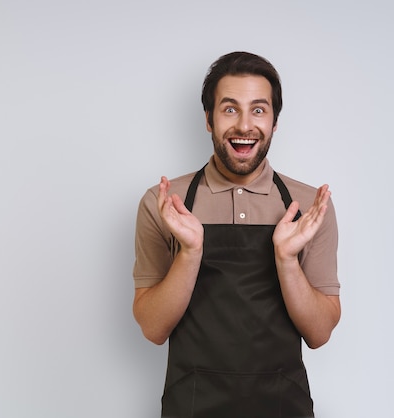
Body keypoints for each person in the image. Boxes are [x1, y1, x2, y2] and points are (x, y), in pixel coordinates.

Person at [132, 51, 341, 418]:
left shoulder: (310, 206)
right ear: (209, 120)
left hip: (283, 407)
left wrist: (287, 260)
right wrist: (190, 252)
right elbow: (153, 327)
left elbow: (320, 334)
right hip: (191, 407)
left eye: (258, 110)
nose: (245, 125)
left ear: (275, 121)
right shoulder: (165, 203)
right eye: (230, 109)